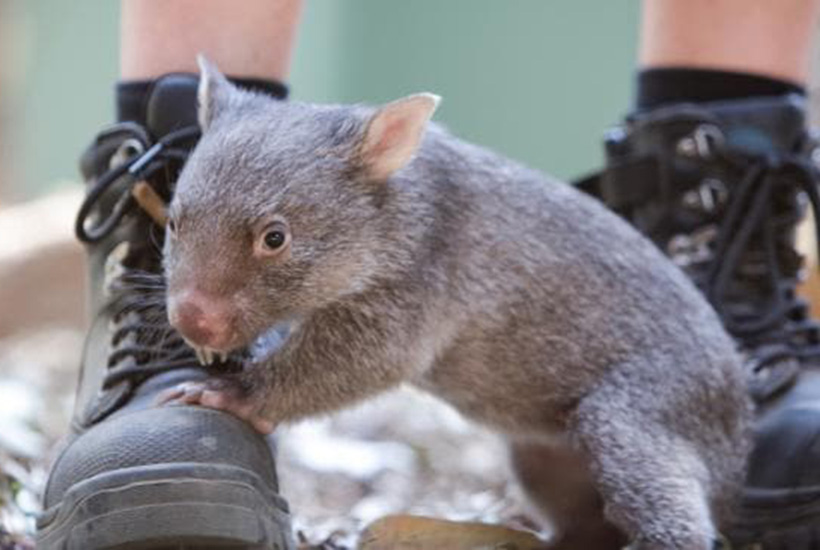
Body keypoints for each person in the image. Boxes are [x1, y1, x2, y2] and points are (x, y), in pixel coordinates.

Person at [34, 1, 820, 548]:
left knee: (622, 429)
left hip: (656, 383)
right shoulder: (273, 158)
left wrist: (257, 393)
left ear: (388, 149)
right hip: (543, 410)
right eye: (179, 231)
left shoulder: (402, 198)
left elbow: (381, 346)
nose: (193, 309)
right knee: (560, 476)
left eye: (270, 240)